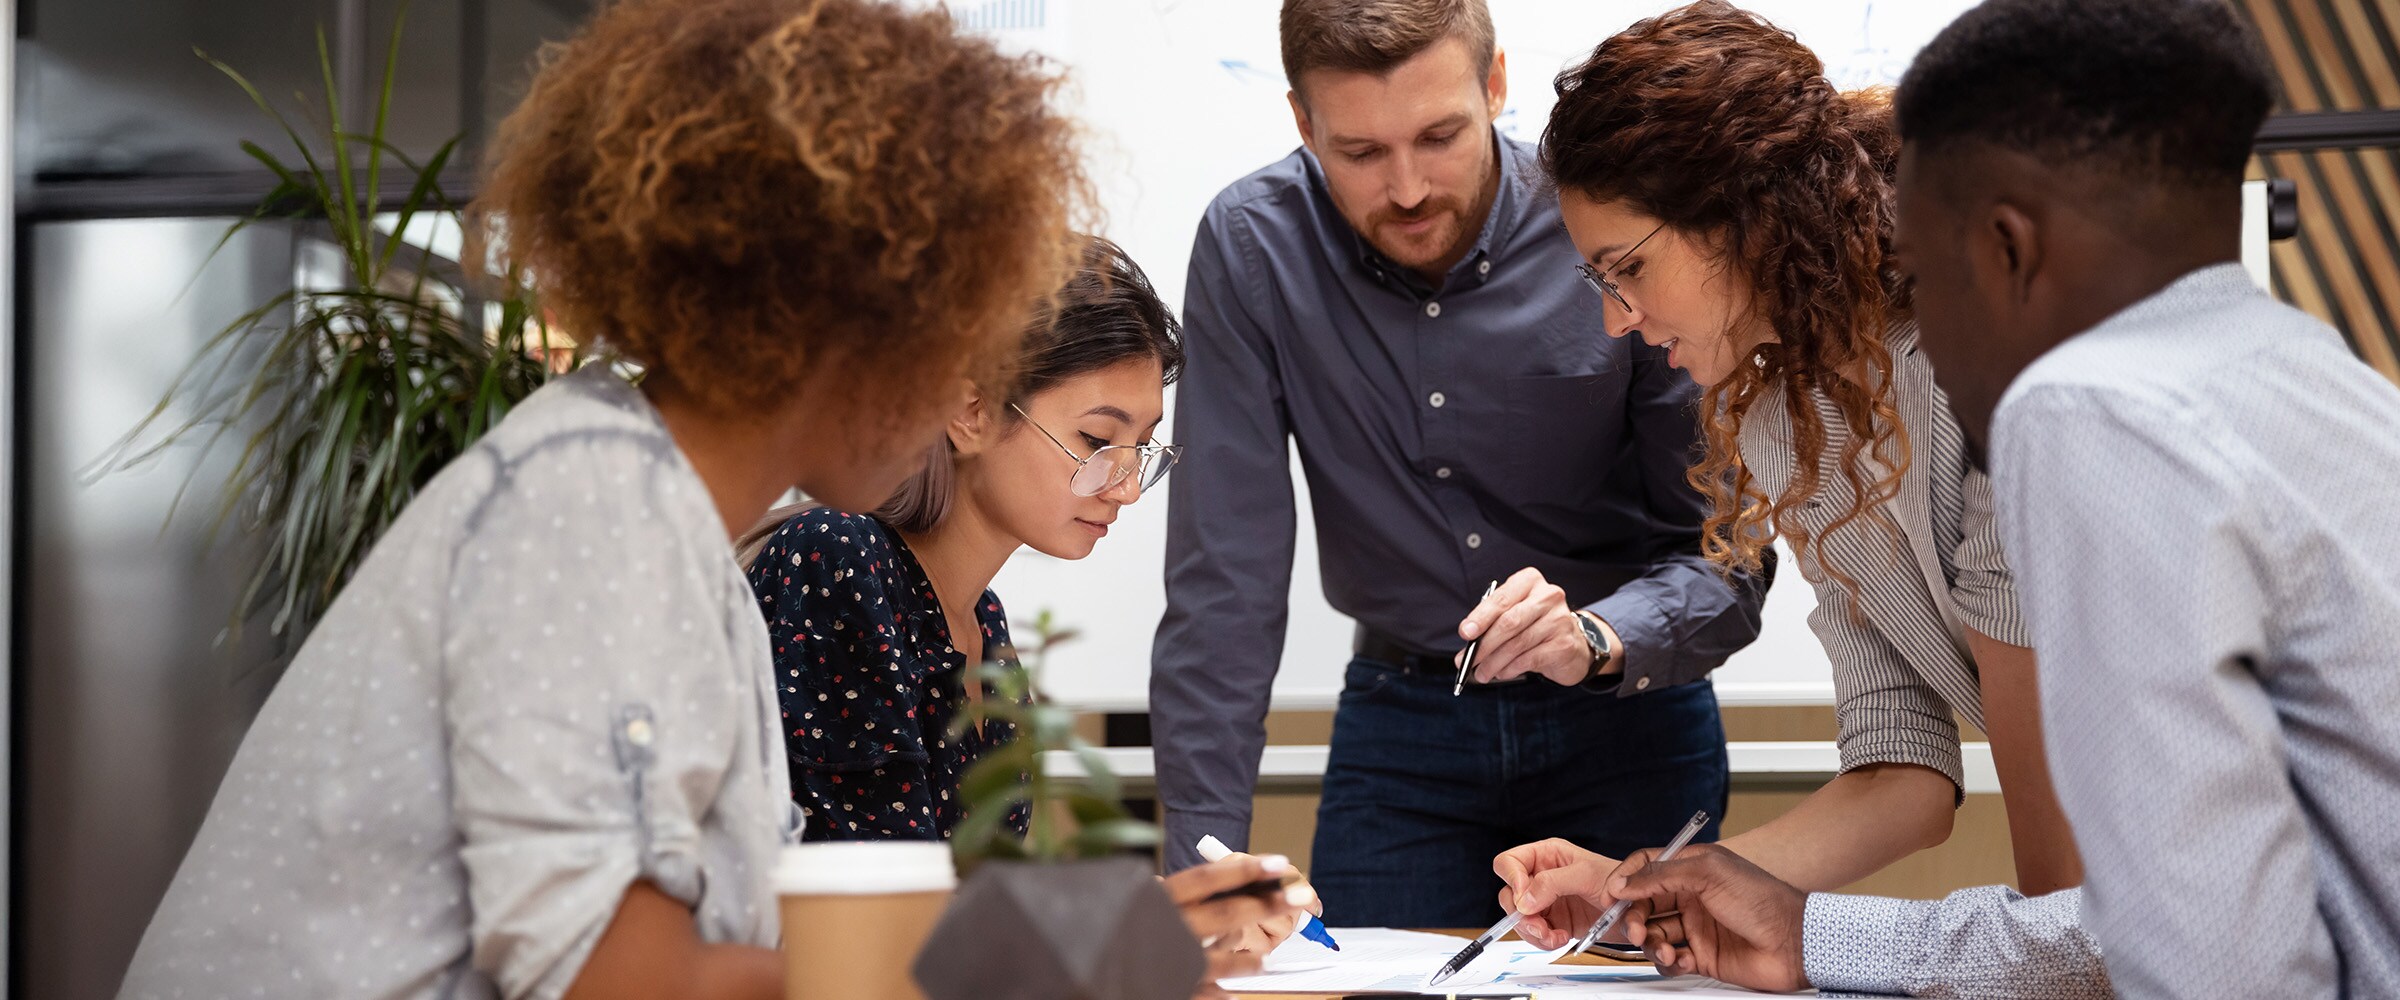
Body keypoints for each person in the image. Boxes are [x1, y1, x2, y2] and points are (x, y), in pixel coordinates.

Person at [113, 2, 1300, 999]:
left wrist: (1085, 950)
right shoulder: (591, 503)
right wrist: (1071, 963)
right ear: (831, 309)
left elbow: (769, 931)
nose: (961, 384)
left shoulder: (661, 514)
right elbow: (616, 973)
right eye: (955, 323)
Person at [1597, 2, 2400, 997]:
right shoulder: (2316, 375)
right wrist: (1756, 908)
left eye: (1926, 276)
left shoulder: (2071, 408)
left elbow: (2146, 941)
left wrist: (1821, 935)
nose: (1913, 315)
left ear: (2009, 248)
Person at [1488, 0, 2085, 965]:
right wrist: (1642, 885)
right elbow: (1904, 768)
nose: (1615, 321)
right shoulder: (1789, 417)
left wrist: (2037, 970)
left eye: (1627, 268)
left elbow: (2067, 898)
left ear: (1746, 217)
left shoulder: (1990, 365)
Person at [1151, 0, 1770, 929]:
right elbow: (1223, 584)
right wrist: (1204, 869)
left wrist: (1596, 638)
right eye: (1359, 154)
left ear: (1495, 86)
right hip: (1402, 728)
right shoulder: (1253, 249)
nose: (1405, 189)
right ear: (1301, 122)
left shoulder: (1610, 234)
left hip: (1631, 725)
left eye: (1440, 136)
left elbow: (1727, 556)